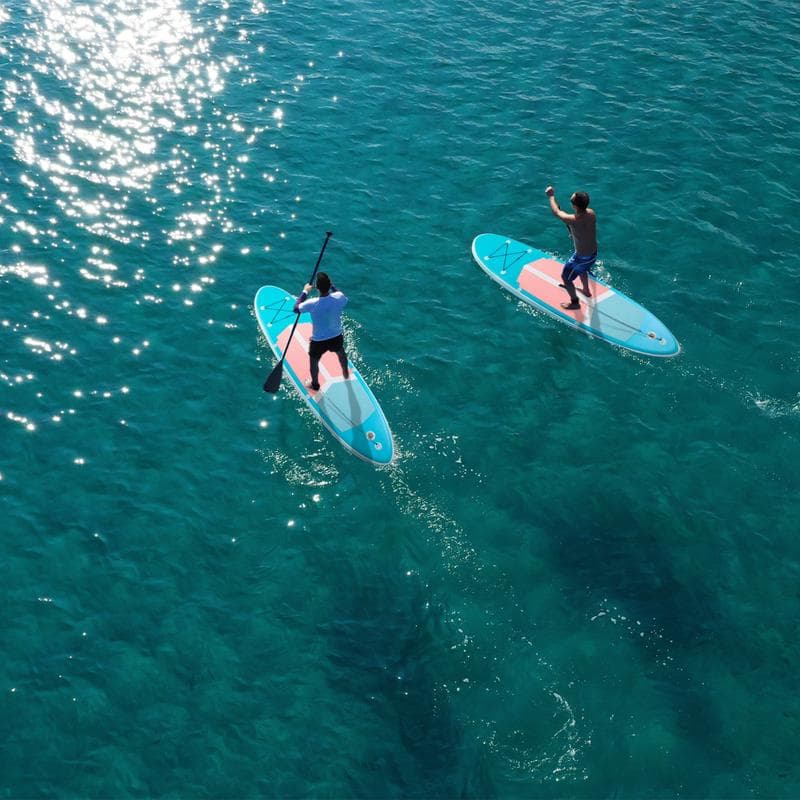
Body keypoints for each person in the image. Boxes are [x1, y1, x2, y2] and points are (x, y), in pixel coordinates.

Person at [293, 272, 349, 391]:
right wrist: (332, 286)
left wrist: (305, 291)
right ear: (329, 286)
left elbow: (296, 309)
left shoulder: (312, 303)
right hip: (336, 336)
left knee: (314, 362)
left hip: (318, 341)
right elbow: (340, 294)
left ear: (317, 288)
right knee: (341, 353)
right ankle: (345, 373)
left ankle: (315, 384)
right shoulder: (339, 297)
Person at [545, 185, 597, 310]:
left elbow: (556, 212)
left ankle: (575, 302)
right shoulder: (591, 213)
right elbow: (582, 228)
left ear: (575, 206)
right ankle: (586, 290)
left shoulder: (572, 220)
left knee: (565, 278)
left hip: (582, 257)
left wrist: (551, 196)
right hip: (592, 254)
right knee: (582, 269)